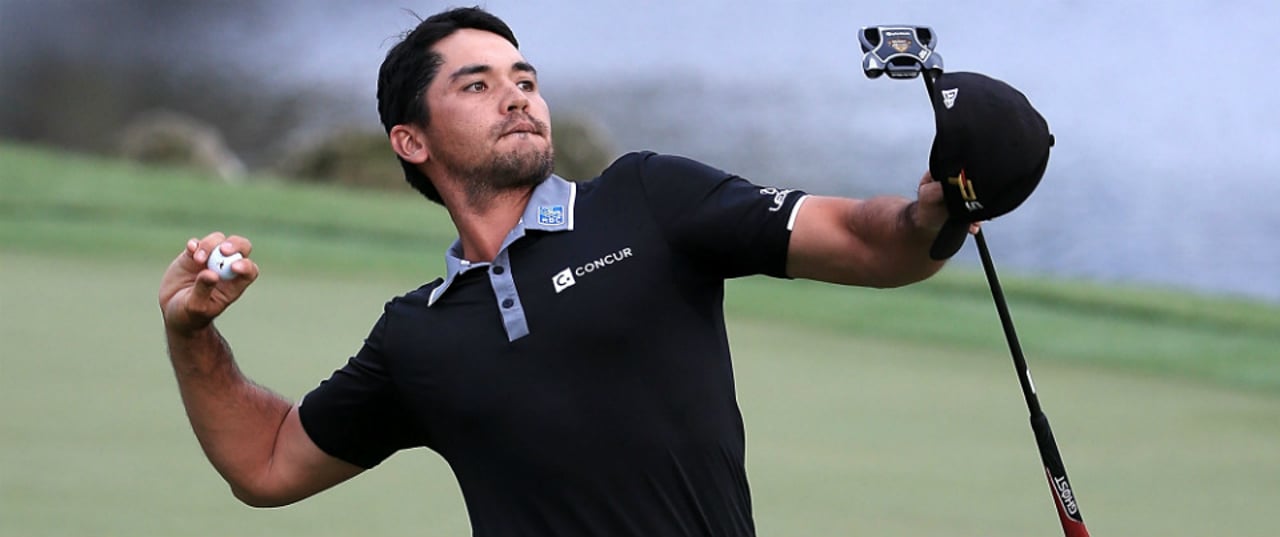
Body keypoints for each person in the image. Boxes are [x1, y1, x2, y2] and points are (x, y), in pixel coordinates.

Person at [159, 7, 1036, 537]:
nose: (517, 95)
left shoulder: (646, 199)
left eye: (524, 77)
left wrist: (938, 209)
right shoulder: (417, 336)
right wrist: (191, 331)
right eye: (476, 84)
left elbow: (866, 240)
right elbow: (266, 463)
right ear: (410, 140)